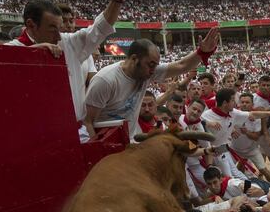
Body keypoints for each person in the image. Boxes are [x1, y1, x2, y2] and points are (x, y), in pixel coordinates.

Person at [7, 0, 135, 124]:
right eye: (52, 28)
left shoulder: (68, 43)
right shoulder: (10, 51)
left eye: (59, 28)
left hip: (75, 129)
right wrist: (32, 53)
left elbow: (99, 29)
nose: (59, 36)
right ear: (31, 25)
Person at [84, 29, 220, 140]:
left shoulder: (146, 72)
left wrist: (202, 52)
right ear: (134, 59)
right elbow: (88, 121)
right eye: (151, 65)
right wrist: (97, 150)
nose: (154, 70)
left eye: (155, 65)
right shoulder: (105, 80)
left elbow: (181, 66)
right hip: (105, 142)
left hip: (128, 139)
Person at [202, 88, 270, 178]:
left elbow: (253, 114)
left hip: (223, 150)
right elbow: (196, 124)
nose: (235, 103)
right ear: (225, 103)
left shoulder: (233, 113)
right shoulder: (206, 116)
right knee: (225, 178)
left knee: (233, 176)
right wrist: (206, 123)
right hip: (208, 153)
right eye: (233, 100)